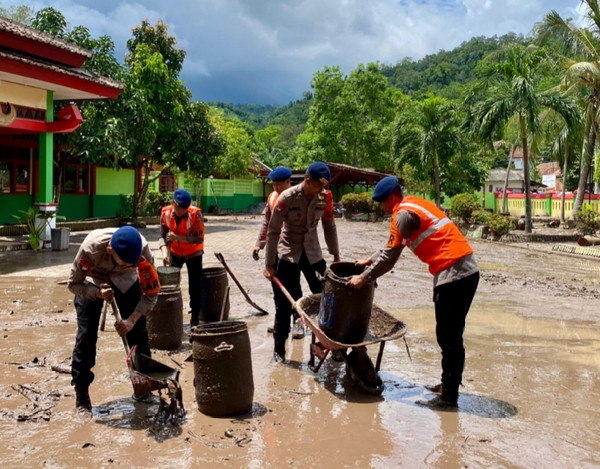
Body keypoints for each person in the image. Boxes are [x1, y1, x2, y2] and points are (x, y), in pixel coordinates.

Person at [348, 176, 479, 409]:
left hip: (454, 274)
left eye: (381, 203)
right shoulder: (413, 204)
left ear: (391, 198)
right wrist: (370, 259)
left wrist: (364, 277)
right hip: (463, 271)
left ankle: (449, 397)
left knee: (449, 338)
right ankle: (448, 384)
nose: (381, 208)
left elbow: (390, 257)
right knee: (449, 336)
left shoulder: (402, 215)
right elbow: (390, 247)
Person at [68, 226, 159, 413]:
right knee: (86, 335)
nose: (133, 265)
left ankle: (143, 388)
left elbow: (151, 294)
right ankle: (82, 394)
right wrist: (97, 293)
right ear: (110, 251)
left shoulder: (142, 251)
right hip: (94, 278)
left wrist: (132, 320)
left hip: (125, 279)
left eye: (134, 264)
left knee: (139, 333)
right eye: (127, 263)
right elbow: (74, 284)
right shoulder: (90, 248)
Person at [263, 161, 340, 363]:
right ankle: (278, 351)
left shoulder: (324, 197)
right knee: (283, 304)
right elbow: (272, 232)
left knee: (326, 300)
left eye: (324, 187)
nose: (321, 190)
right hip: (289, 253)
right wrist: (269, 264)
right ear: (307, 180)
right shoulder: (286, 197)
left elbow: (329, 226)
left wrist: (336, 255)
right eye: (318, 186)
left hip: (313, 254)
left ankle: (331, 345)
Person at [252, 166, 322, 339]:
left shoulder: (295, 196)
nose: (275, 188)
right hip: (275, 250)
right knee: (279, 290)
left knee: (295, 287)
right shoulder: (273, 198)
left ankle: (297, 322)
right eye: (273, 184)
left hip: (293, 249)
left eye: (278, 184)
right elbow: (268, 224)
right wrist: (259, 244)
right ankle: (280, 323)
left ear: (287, 182)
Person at [159, 188, 205, 327]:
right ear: (174, 203)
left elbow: (199, 238)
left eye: (186, 208)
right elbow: (163, 235)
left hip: (194, 253)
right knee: (171, 285)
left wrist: (178, 237)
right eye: (180, 208)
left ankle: (195, 318)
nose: (183, 211)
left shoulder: (195, 214)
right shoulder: (165, 213)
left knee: (195, 286)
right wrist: (165, 253)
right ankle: (171, 315)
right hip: (175, 253)